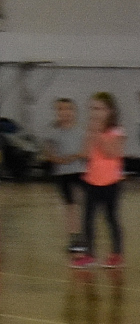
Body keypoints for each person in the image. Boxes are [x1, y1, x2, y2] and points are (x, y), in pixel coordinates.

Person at [79, 93, 126, 269]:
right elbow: (85, 154)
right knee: (87, 220)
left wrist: (98, 133)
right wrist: (90, 134)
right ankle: (89, 254)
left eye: (99, 108)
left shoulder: (116, 131)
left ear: (109, 110)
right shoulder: (92, 130)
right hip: (92, 181)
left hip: (111, 182)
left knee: (111, 218)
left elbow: (111, 153)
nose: (95, 112)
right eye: (92, 108)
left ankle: (116, 253)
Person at [43, 98, 87, 254]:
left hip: (80, 172)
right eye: (60, 109)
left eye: (68, 109)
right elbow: (49, 153)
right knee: (70, 206)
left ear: (74, 112)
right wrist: (58, 159)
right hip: (63, 174)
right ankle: (74, 237)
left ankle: (85, 234)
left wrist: (75, 156)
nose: (65, 113)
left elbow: (86, 152)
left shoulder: (81, 132)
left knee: (82, 203)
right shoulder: (53, 133)